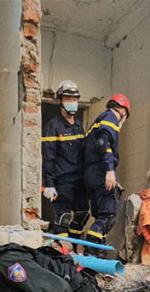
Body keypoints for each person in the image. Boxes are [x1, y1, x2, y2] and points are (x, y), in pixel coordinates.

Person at [83, 94, 130, 257]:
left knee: (100, 215)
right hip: (102, 172)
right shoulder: (111, 117)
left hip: (91, 174)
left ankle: (98, 254)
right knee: (107, 215)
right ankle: (91, 251)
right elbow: (103, 142)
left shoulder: (98, 120)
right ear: (123, 111)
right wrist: (109, 170)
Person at [42, 80, 89, 239]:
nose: (72, 103)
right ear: (60, 101)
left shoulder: (79, 126)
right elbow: (48, 156)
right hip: (62, 181)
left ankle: (75, 247)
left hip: (80, 181)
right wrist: (49, 183)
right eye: (68, 99)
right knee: (63, 219)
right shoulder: (53, 126)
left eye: (75, 99)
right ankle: (63, 252)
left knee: (82, 215)